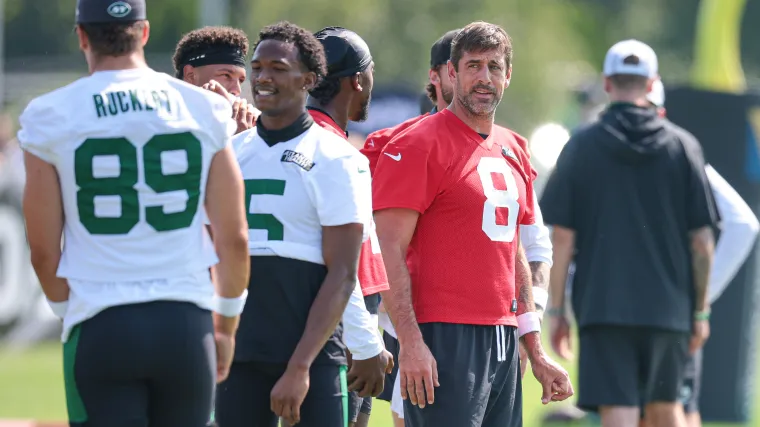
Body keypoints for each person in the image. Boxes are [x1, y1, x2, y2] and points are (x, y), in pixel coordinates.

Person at [17, 0, 251, 426]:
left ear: (82, 37)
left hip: (102, 321)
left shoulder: (50, 114)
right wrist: (226, 326)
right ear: (143, 33)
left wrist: (71, 311)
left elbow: (43, 250)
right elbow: (233, 236)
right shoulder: (204, 108)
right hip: (185, 322)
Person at [372, 21, 572, 427]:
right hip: (443, 334)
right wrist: (410, 342)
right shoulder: (418, 142)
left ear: (508, 75)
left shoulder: (514, 146)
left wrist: (533, 348)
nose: (485, 78)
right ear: (452, 72)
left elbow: (512, 247)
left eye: (494, 67)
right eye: (474, 66)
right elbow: (387, 247)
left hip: (502, 336)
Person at [541, 40, 719, 427]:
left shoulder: (581, 146)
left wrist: (558, 311)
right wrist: (700, 311)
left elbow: (562, 240)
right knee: (666, 406)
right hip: (669, 310)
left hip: (604, 307)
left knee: (616, 410)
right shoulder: (683, 146)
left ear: (607, 83)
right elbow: (702, 244)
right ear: (652, 82)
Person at [213, 21, 374, 427]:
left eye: (278, 68)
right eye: (258, 67)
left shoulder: (339, 158)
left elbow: (342, 274)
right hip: (239, 352)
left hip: (312, 356)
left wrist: (300, 366)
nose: (263, 77)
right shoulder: (228, 153)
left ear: (309, 79)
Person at [642, 80, 760, 427]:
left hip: (641, 309)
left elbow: (741, 226)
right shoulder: (684, 154)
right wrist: (702, 299)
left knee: (656, 407)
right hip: (672, 308)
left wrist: (702, 297)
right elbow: (742, 225)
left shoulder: (603, 152)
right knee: (673, 404)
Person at [305, 26, 393, 427]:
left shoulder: (306, 137)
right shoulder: (333, 150)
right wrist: (364, 339)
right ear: (357, 79)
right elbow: (343, 263)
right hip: (337, 327)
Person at [173, 25, 259, 134]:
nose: (237, 90)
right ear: (190, 75)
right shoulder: (162, 120)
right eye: (226, 75)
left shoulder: (251, 125)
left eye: (240, 80)